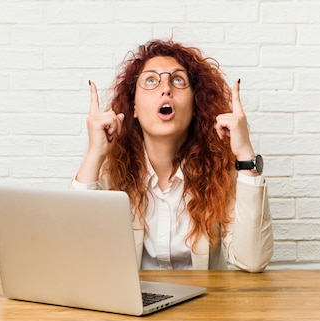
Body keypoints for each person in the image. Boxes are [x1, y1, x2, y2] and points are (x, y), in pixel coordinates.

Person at [71, 39, 273, 272]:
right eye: (151, 81)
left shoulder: (221, 170)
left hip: (204, 306)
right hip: (133, 305)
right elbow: (77, 253)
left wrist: (245, 154)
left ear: (195, 105)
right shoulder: (111, 170)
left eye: (178, 80)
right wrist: (94, 154)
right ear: (133, 108)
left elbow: (253, 260)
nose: (166, 88)